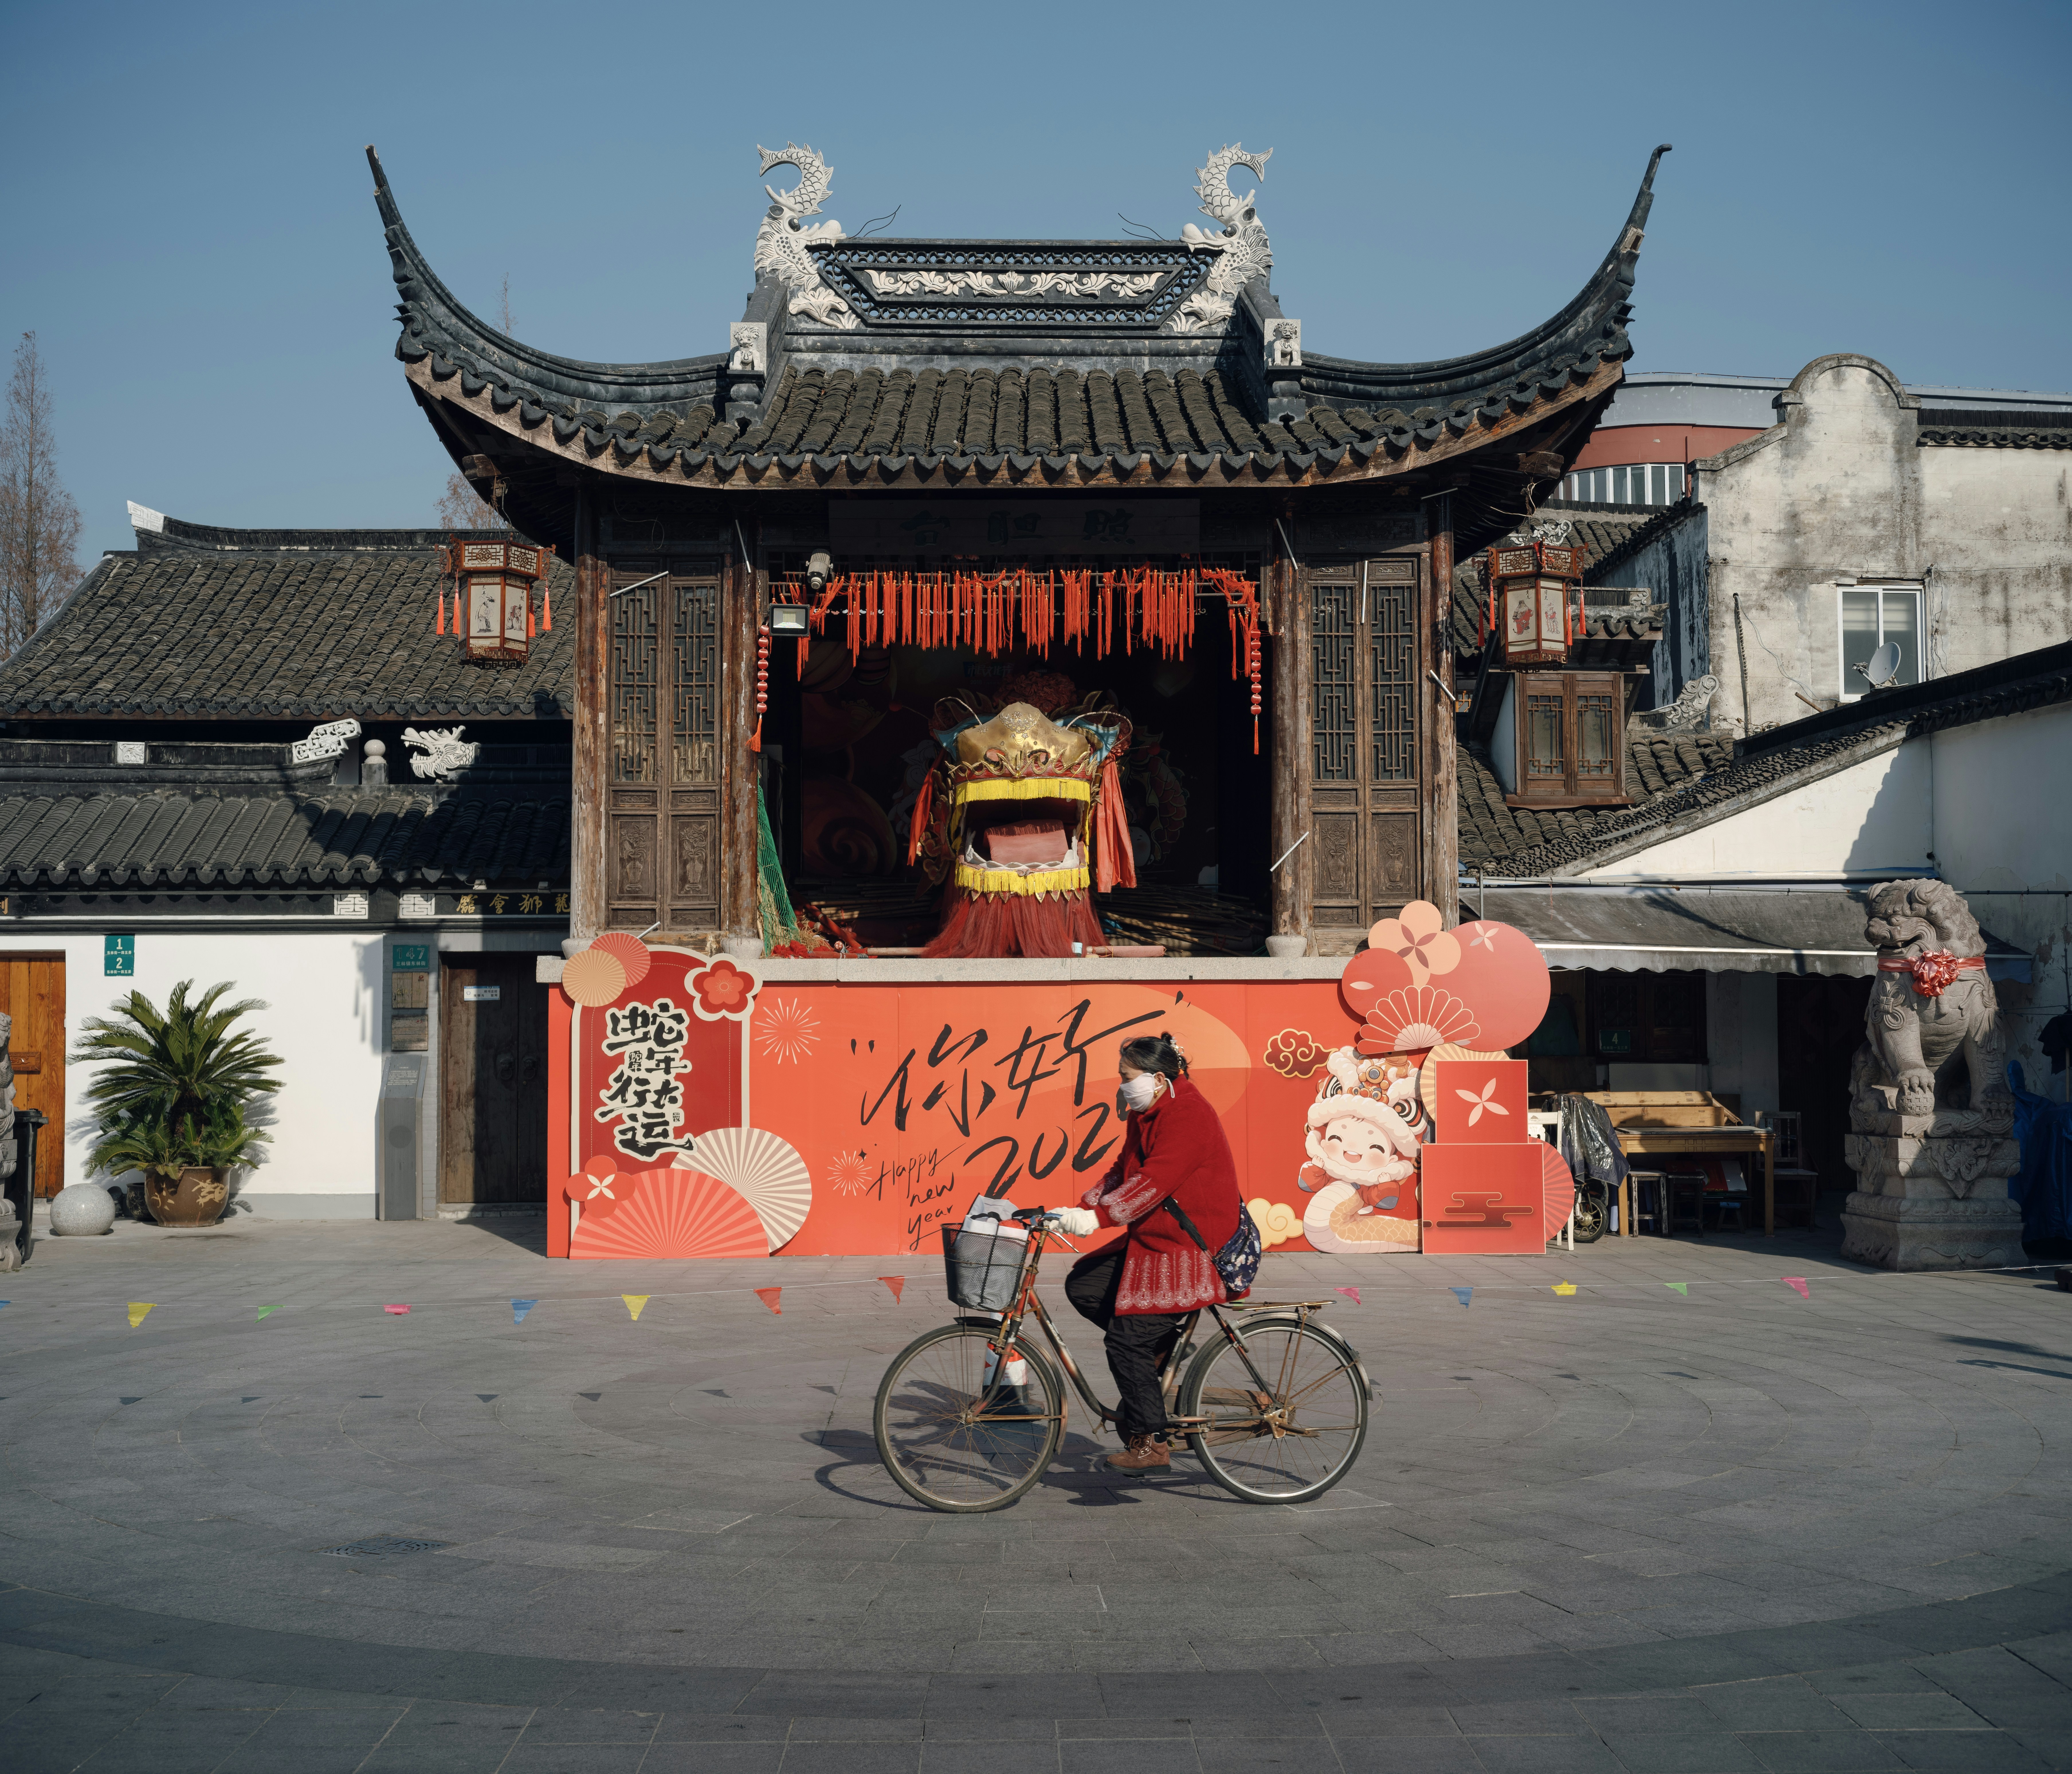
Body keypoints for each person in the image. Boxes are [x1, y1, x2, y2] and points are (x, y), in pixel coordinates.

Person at [1049, 1031, 1242, 1473]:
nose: (1122, 1086)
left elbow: (1155, 1181)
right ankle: (1162, 1349)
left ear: (1158, 1078)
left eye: (1126, 1077)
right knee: (1085, 1285)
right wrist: (1080, 1209)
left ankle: (1152, 1444)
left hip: (1193, 1245)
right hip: (1154, 1238)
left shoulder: (1189, 1113)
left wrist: (1098, 1220)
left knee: (1124, 1341)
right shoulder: (1146, 1110)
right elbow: (1125, 1170)